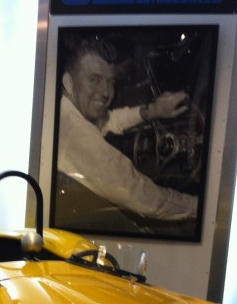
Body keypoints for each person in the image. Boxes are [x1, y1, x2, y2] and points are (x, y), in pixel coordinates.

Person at [56, 36, 198, 223]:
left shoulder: (64, 109)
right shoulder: (73, 130)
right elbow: (140, 195)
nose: (106, 92)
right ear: (68, 82)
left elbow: (108, 121)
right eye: (95, 80)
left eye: (110, 82)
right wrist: (199, 207)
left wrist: (151, 112)